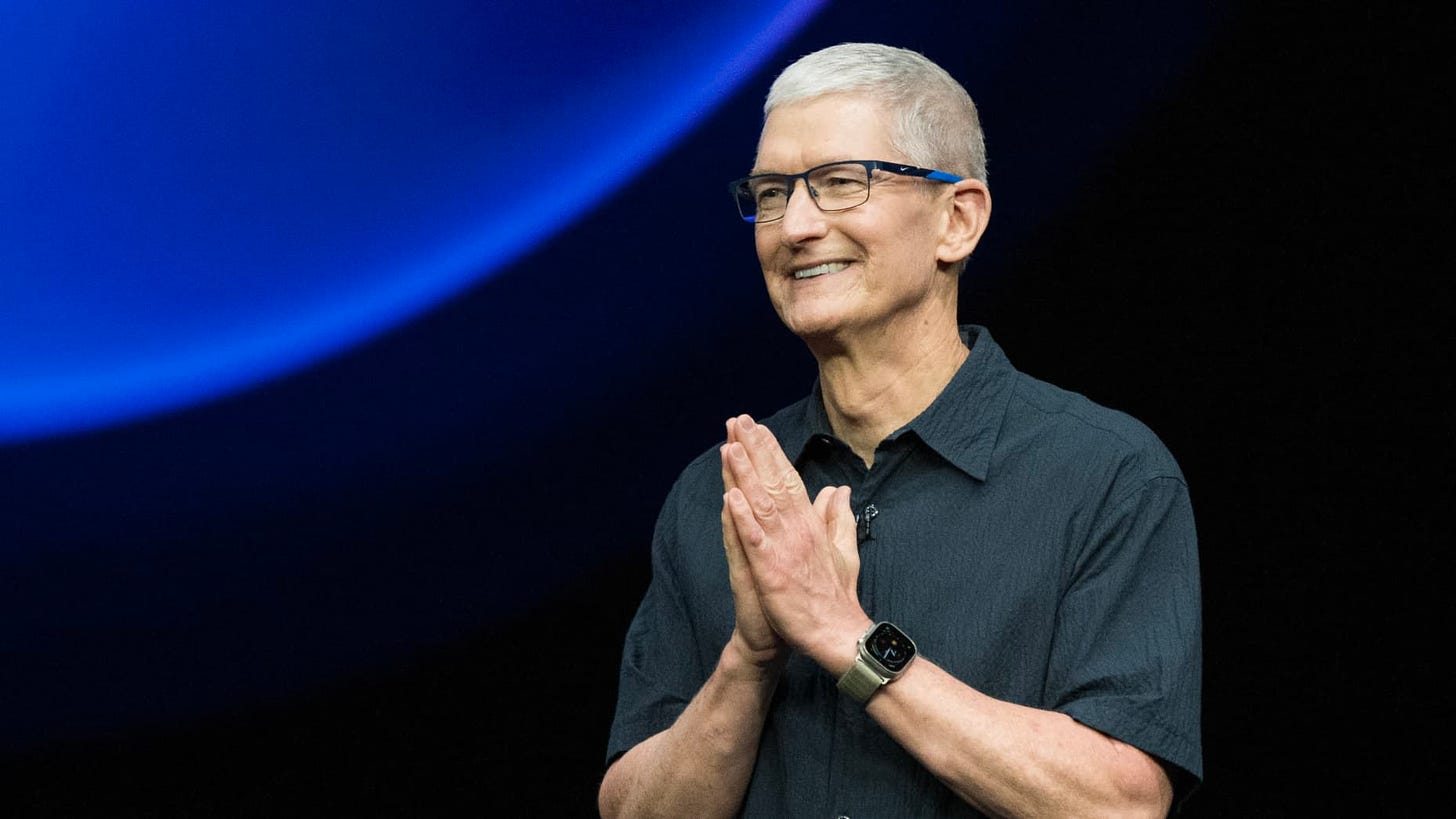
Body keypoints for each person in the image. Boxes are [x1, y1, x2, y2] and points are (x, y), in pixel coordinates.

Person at [598, 42, 1201, 818]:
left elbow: (1118, 806)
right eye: (773, 192)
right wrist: (750, 660)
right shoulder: (717, 493)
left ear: (958, 219)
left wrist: (846, 636)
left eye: (842, 183)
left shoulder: (1105, 472)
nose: (796, 226)